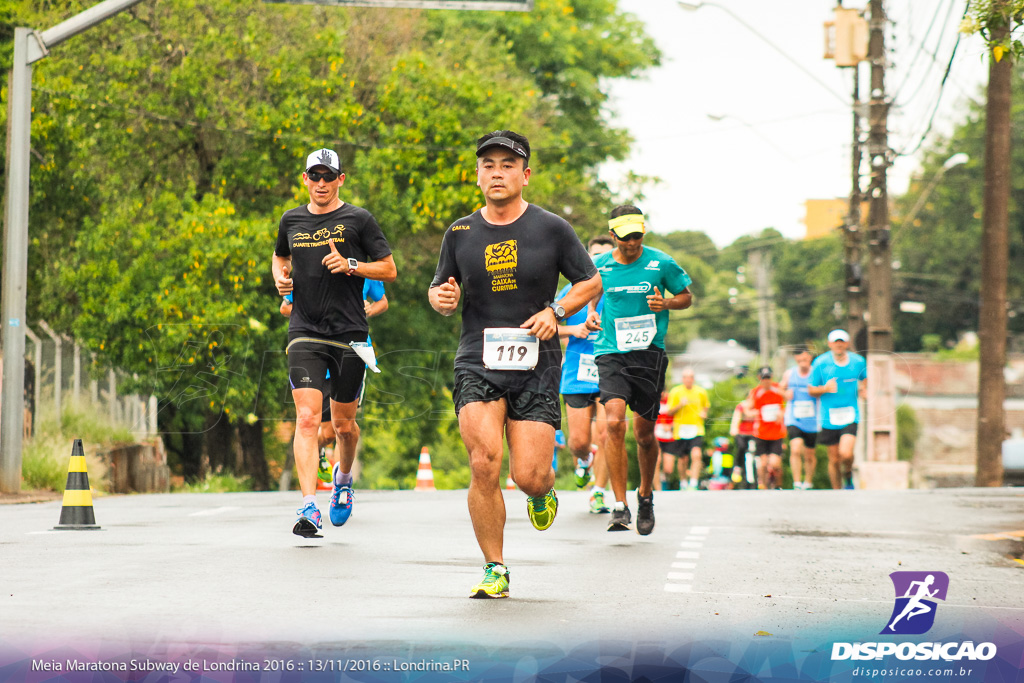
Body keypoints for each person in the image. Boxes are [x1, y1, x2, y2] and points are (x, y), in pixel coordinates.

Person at [428, 130, 601, 599]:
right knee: (484, 463)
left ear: (524, 175)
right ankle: (495, 567)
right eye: (488, 165)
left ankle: (544, 492)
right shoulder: (460, 232)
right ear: (478, 175)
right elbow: (440, 289)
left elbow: (591, 282)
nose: (497, 172)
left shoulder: (551, 229)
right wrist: (442, 298)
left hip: (538, 363)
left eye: (507, 164)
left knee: (528, 474)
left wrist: (557, 312)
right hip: (477, 361)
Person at [273, 148, 397, 537]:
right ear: (305, 179)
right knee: (308, 418)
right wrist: (280, 277)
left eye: (329, 177)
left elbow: (390, 270)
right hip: (305, 330)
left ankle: (343, 481)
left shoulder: (359, 219)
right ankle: (310, 506)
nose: (322, 183)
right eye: (315, 176)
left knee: (343, 426)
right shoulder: (290, 219)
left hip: (350, 335)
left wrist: (351, 265)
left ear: (341, 179)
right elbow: (279, 257)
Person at [587, 205, 693, 535]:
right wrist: (591, 312)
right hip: (611, 352)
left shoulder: (661, 262)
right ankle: (620, 505)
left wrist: (667, 304)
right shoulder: (600, 266)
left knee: (645, 436)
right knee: (614, 421)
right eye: (626, 236)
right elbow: (591, 293)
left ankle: (645, 494)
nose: (633, 242)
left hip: (649, 354)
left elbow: (686, 297)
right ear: (614, 235)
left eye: (638, 235)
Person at [280, 278, 389, 484]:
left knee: (342, 428)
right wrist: (317, 312)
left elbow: (382, 301)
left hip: (351, 353)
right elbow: (285, 308)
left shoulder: (364, 269)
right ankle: (318, 448)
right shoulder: (311, 263)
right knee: (326, 433)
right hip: (317, 357)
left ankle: (339, 487)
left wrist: (368, 310)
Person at [556, 235, 614, 512]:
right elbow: (546, 325)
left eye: (606, 254)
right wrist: (572, 330)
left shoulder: (619, 290)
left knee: (605, 433)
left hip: (610, 371)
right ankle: (584, 458)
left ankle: (599, 492)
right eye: (595, 255)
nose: (600, 260)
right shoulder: (571, 290)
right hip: (577, 373)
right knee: (578, 441)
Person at [808, 329, 867, 489]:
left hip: (850, 414)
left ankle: (848, 474)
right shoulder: (820, 363)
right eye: (836, 342)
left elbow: (866, 378)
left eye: (842, 341)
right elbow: (811, 390)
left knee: (846, 453)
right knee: (834, 459)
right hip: (829, 416)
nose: (839, 345)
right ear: (830, 344)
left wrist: (863, 390)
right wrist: (825, 389)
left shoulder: (858, 361)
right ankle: (837, 491)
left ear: (847, 344)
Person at [664, 367, 710, 491]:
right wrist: (680, 404)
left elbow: (706, 407)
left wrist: (704, 414)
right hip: (681, 430)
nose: (688, 380)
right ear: (682, 379)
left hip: (696, 428)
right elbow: (669, 411)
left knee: (696, 455)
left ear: (694, 379)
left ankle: (694, 483)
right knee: (683, 459)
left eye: (691, 377)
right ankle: (683, 482)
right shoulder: (676, 391)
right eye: (686, 377)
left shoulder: (701, 392)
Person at [780, 347, 819, 490]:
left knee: (809, 454)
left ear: (810, 358)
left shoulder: (816, 373)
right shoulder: (790, 374)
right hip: (794, 418)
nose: (802, 362)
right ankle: (796, 482)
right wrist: (785, 394)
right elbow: (780, 388)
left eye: (805, 359)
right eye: (799, 360)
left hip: (812, 419)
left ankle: (808, 482)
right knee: (795, 449)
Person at [747, 366, 786, 489]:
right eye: (764, 378)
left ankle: (778, 486)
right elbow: (747, 409)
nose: (766, 380)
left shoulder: (778, 389)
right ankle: (762, 486)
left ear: (772, 377)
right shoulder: (755, 392)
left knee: (775, 463)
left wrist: (782, 413)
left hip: (776, 433)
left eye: (768, 377)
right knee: (762, 464)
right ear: (759, 378)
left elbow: (790, 402)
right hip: (761, 433)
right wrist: (755, 413)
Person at [729, 399, 758, 487]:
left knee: (757, 454)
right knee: (741, 447)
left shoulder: (758, 406)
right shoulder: (741, 406)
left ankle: (759, 477)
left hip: (754, 434)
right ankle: (737, 468)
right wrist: (734, 428)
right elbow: (736, 419)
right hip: (742, 433)